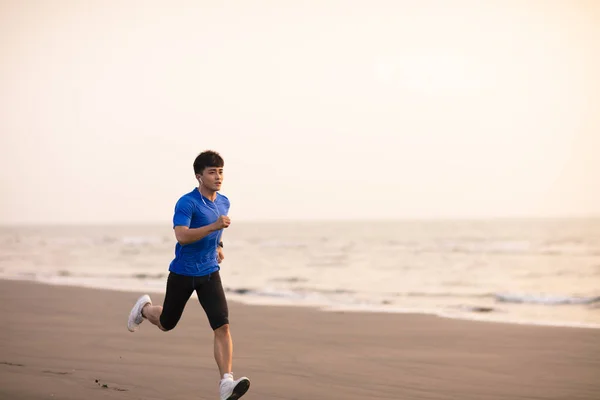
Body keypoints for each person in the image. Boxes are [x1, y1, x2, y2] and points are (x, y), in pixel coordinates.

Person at [127, 150, 250, 400]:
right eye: (212, 172)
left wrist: (219, 246)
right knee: (166, 323)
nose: (218, 177)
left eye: (221, 172)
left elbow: (219, 232)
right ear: (199, 176)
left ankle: (226, 383)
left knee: (222, 326)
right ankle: (144, 309)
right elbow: (182, 235)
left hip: (209, 273)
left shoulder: (223, 201)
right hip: (183, 273)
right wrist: (214, 226)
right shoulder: (187, 202)